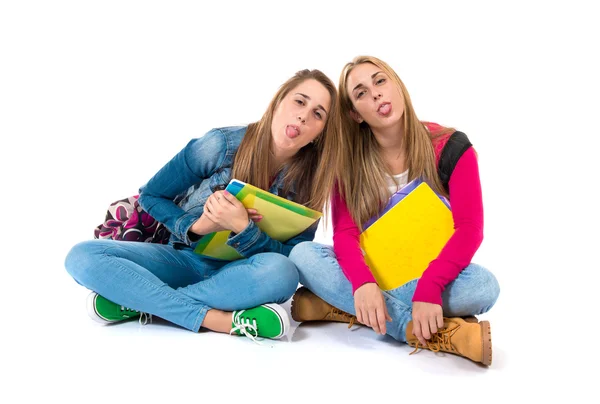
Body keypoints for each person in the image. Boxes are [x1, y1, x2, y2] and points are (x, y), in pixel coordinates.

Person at [65, 69, 340, 342]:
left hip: (239, 275)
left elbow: (292, 255)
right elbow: (151, 195)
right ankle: (220, 320)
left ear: (319, 133)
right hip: (182, 260)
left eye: (318, 114)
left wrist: (244, 229)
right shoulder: (221, 144)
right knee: (82, 256)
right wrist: (199, 226)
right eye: (299, 101)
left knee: (283, 273)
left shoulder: (312, 184)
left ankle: (142, 302)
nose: (303, 115)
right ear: (278, 101)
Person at [288, 56, 500, 365]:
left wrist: (430, 287)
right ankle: (415, 328)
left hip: (428, 273)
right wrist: (362, 283)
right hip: (373, 273)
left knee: (484, 287)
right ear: (355, 114)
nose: (374, 93)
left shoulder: (452, 147)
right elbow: (345, 234)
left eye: (379, 81)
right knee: (302, 255)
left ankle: (334, 306)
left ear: (397, 85)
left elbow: (470, 229)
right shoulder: (347, 164)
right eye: (360, 93)